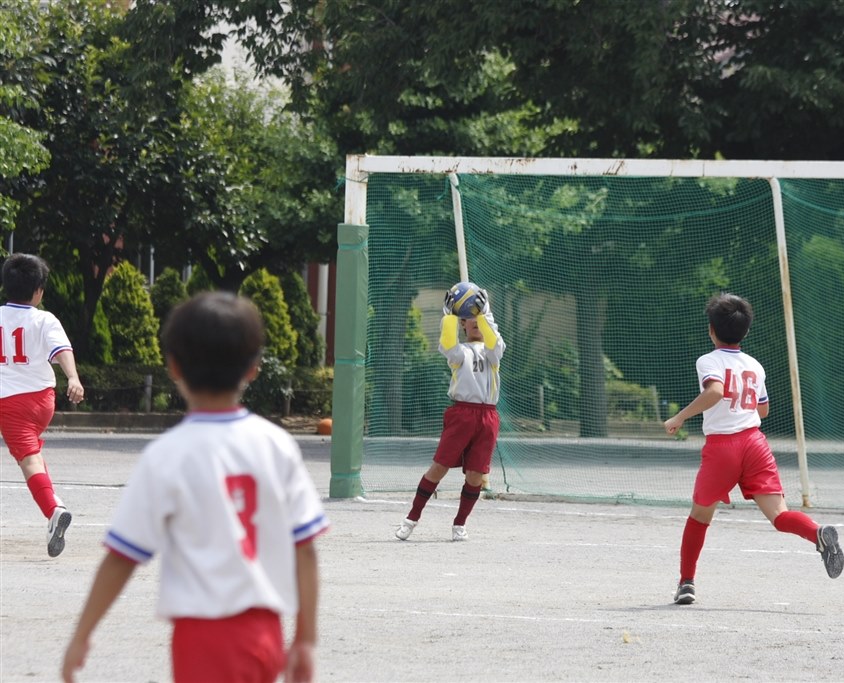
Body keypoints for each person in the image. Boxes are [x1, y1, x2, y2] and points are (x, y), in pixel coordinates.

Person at [62, 292, 329, 683]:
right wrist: (304, 639)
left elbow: (122, 556)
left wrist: (82, 634)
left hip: (202, 636)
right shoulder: (276, 444)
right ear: (253, 368)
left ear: (173, 367)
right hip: (264, 632)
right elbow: (305, 549)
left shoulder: (167, 455)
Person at [663, 292, 843, 605]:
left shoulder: (708, 360)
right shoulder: (754, 365)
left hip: (724, 446)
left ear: (711, 329)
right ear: (746, 331)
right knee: (779, 516)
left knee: (699, 517)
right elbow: (763, 411)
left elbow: (716, 391)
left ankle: (687, 582)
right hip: (755, 443)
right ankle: (817, 533)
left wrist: (680, 416)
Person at [395, 281, 505, 542]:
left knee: (476, 474)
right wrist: (449, 315)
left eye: (478, 317)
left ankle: (459, 524)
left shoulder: (494, 351)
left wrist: (484, 310)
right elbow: (447, 343)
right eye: (468, 318)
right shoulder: (459, 353)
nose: (474, 321)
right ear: (462, 323)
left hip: (487, 416)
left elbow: (493, 339)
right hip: (462, 414)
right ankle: (411, 519)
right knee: (439, 467)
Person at [0, 253, 84, 557]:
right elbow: (62, 350)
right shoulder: (45, 318)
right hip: (43, 401)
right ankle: (54, 502)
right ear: (38, 291)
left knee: (29, 461)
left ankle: (53, 511)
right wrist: (73, 378)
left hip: (10, 403)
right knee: (32, 452)